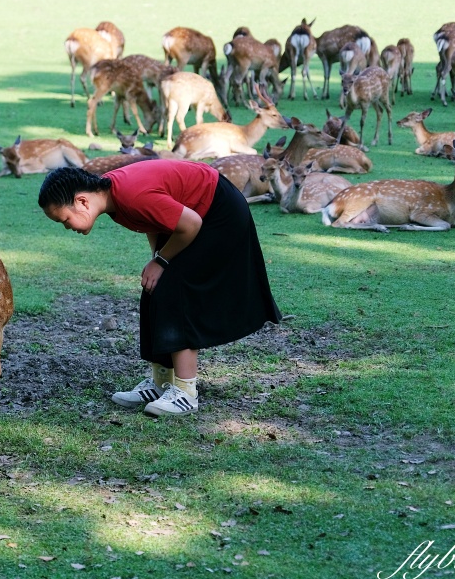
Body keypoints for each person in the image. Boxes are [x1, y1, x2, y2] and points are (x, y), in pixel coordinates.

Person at [38, 159, 281, 417]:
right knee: (156, 286)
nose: (66, 227)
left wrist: (162, 261)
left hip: (218, 213)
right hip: (196, 214)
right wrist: (157, 259)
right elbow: (152, 221)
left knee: (175, 291)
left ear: (82, 202)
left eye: (64, 220)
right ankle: (162, 383)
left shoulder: (130, 195)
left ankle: (186, 393)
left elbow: (191, 223)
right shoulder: (112, 197)